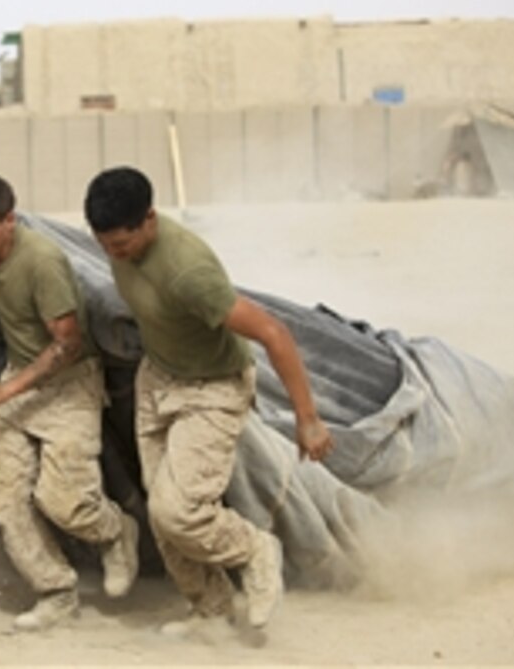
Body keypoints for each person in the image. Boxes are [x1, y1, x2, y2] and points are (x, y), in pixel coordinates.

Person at [83, 166, 334, 633]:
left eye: (122, 245)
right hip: (157, 378)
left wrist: (309, 418)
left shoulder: (188, 271)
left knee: (181, 512)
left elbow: (273, 333)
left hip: (212, 387)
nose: (114, 254)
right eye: (105, 246)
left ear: (150, 220)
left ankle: (257, 550)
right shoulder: (118, 244)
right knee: (161, 515)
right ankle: (210, 607)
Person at [0, 172, 140, 631]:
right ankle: (55, 591)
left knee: (65, 502)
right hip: (18, 376)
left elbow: (68, 344)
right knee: (7, 502)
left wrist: (5, 393)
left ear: (10, 221)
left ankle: (117, 531)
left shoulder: (42, 261)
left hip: (69, 384)